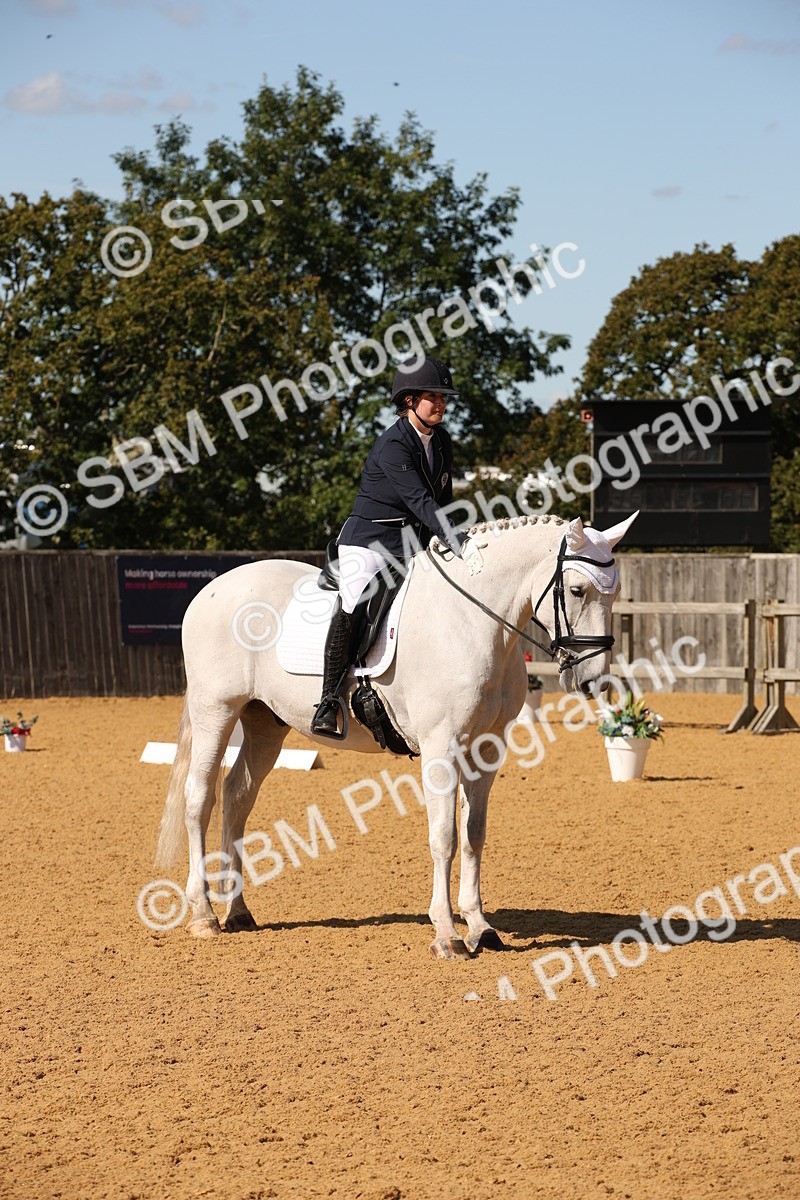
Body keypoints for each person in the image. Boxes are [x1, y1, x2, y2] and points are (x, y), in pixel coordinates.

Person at [310, 355, 484, 736]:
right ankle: (328, 701)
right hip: (369, 539)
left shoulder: (441, 441)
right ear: (409, 400)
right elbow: (420, 501)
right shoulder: (392, 445)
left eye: (443, 397)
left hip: (413, 543)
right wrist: (457, 543)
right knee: (356, 597)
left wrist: (464, 534)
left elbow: (444, 502)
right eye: (432, 396)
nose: (441, 403)